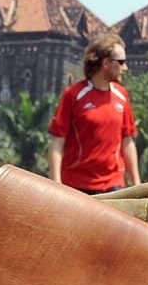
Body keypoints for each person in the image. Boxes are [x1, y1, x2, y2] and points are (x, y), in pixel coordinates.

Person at [49, 33, 140, 193]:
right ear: (106, 63)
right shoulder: (74, 95)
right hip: (77, 186)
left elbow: (127, 141)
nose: (125, 68)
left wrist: (137, 186)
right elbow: (57, 142)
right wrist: (56, 184)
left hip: (114, 186)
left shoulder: (122, 95)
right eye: (121, 62)